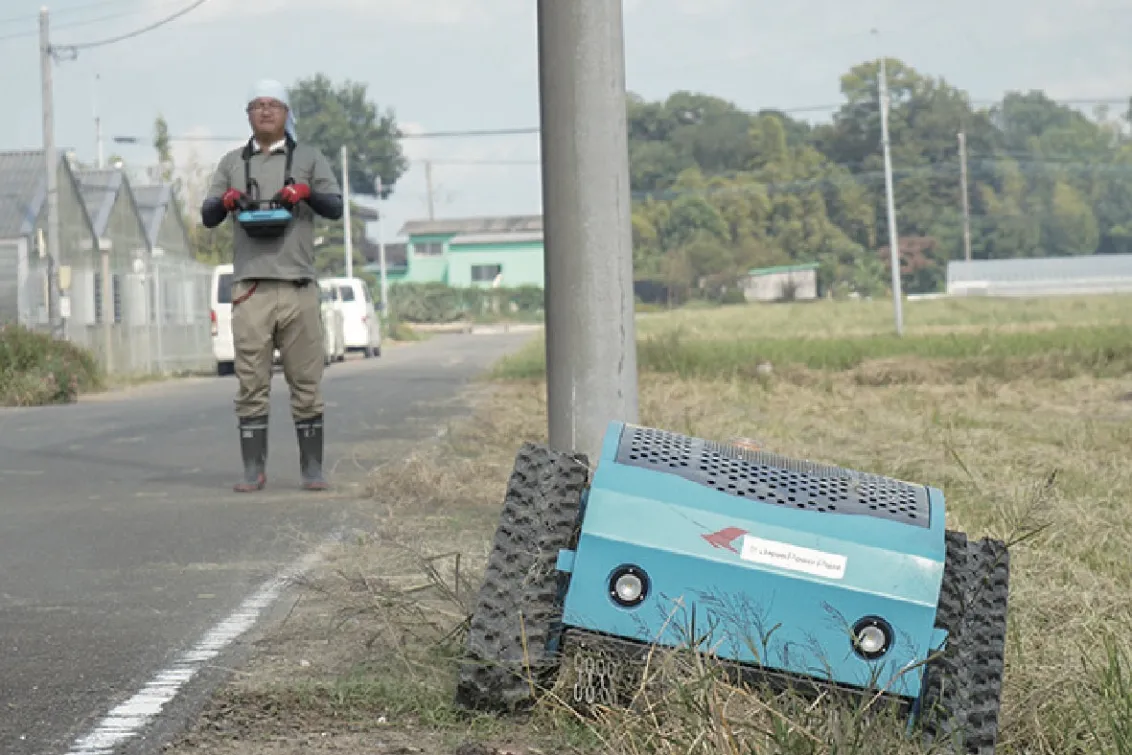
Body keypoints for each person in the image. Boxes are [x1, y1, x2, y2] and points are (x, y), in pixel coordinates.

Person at [200, 79, 343, 493]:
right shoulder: (231, 162)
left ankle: (312, 469)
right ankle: (252, 470)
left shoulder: (311, 158)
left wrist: (304, 193)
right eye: (257, 105)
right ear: (248, 114)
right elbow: (208, 215)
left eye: (273, 105)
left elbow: (334, 207)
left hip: (298, 286)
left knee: (306, 381)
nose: (265, 111)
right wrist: (227, 200)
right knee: (250, 381)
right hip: (250, 288)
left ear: (286, 113)